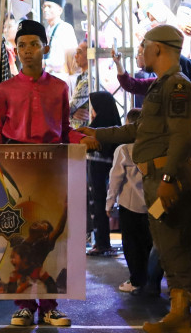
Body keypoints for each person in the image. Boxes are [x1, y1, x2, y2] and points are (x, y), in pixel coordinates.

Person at [80, 25, 191, 333]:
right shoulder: (160, 86)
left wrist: (167, 177)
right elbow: (139, 131)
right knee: (167, 246)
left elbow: (181, 136)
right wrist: (96, 134)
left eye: (143, 46)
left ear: (159, 49)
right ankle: (179, 312)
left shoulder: (176, 87)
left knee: (179, 247)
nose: (139, 52)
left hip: (172, 180)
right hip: (156, 178)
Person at [0, 20, 98, 327]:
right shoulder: (5, 90)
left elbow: (65, 130)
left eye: (34, 44)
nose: (28, 51)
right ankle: (24, 304)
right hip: (17, 169)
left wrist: (84, 138)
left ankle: (50, 305)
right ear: (16, 51)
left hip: (51, 169)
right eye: (22, 45)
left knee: (52, 237)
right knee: (20, 239)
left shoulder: (59, 88)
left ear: (46, 48)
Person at [107, 109, 151, 295]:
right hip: (151, 205)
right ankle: (151, 280)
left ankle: (135, 281)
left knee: (131, 245)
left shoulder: (123, 149)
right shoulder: (152, 148)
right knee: (148, 244)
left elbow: (115, 179)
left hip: (129, 205)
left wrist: (109, 204)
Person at [86, 91, 121, 257]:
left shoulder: (95, 128)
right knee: (103, 204)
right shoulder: (114, 124)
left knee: (97, 204)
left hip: (96, 168)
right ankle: (102, 243)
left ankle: (101, 243)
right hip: (110, 169)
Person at [42, 0, 79, 81]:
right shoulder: (47, 30)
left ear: (60, 10)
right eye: (44, 6)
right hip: (48, 77)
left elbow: (70, 57)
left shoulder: (65, 28)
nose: (45, 9)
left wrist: (45, 63)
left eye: (49, 6)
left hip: (62, 78)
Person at [69, 41, 90, 129]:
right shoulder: (82, 77)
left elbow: (71, 107)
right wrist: (72, 113)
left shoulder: (88, 80)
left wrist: (71, 112)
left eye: (79, 52)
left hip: (83, 131)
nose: (76, 56)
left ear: (90, 54)